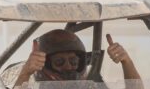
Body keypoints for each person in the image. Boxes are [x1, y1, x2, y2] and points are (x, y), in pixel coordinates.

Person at [12, 29, 141, 86]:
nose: (68, 66)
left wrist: (126, 61)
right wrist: (25, 73)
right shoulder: (28, 85)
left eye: (73, 61)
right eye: (59, 62)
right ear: (44, 64)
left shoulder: (88, 87)